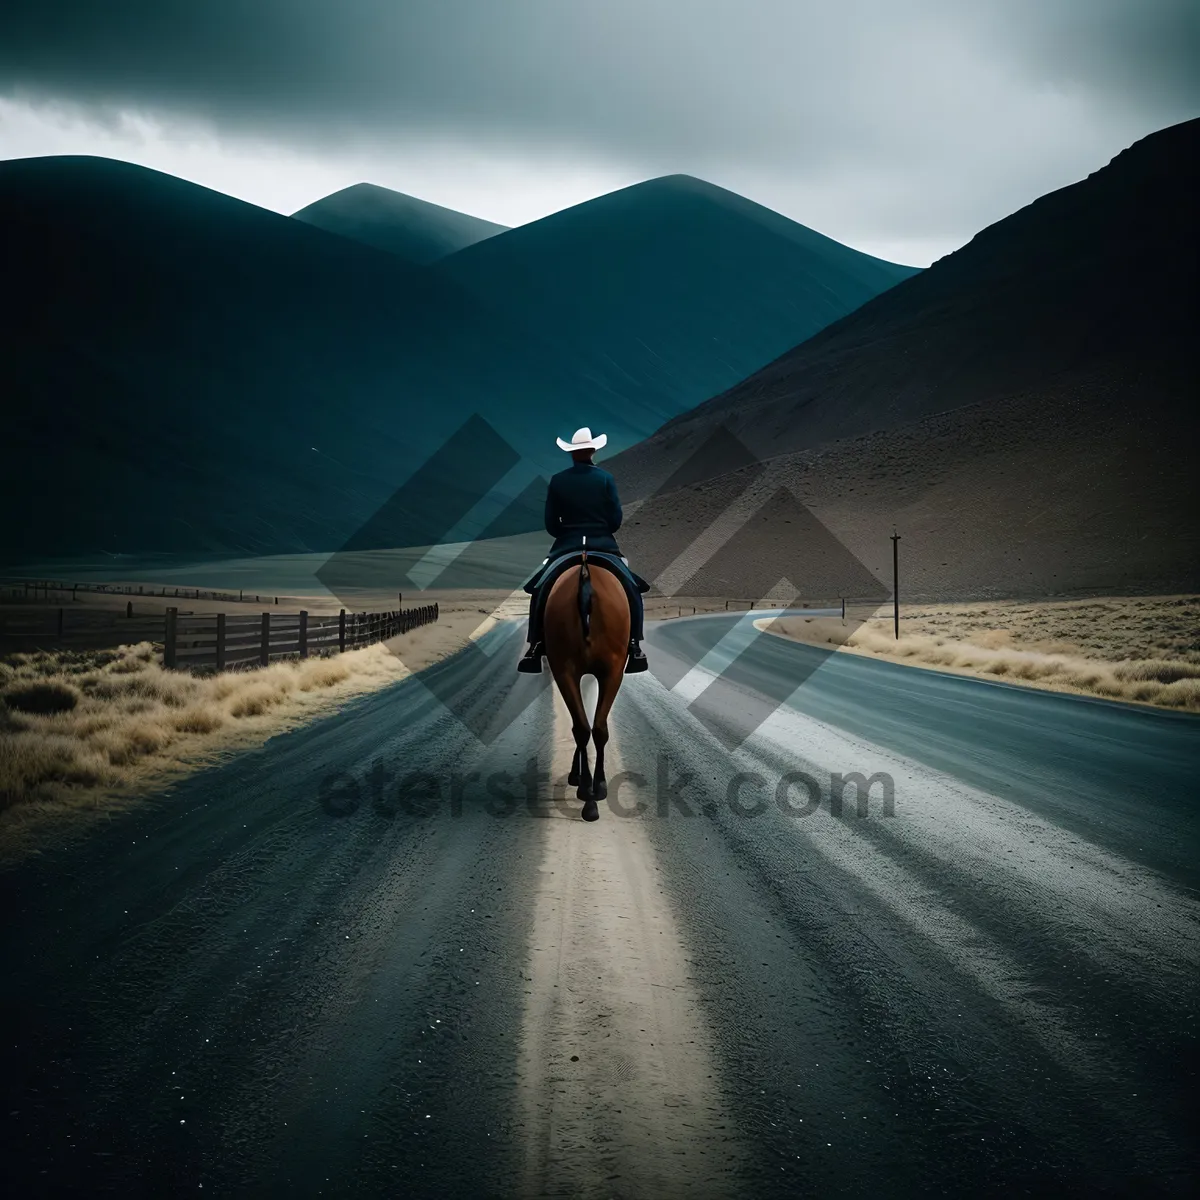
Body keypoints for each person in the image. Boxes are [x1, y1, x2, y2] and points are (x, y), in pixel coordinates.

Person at [517, 426, 648, 672]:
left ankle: (535, 646)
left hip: (566, 545)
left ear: (572, 453)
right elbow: (616, 521)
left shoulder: (558, 481)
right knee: (631, 587)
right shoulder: (606, 479)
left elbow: (550, 524)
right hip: (603, 545)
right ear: (592, 451)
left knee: (540, 588)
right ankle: (634, 644)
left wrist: (567, 532)